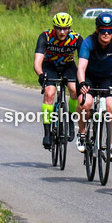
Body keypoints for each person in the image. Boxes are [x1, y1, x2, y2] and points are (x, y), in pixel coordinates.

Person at [76, 12, 112, 161]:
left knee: (111, 106)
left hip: (107, 78)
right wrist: (82, 82)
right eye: (102, 30)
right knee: (85, 103)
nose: (106, 33)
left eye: (109, 30)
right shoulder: (89, 42)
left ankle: (110, 145)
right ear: (97, 30)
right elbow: (81, 67)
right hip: (89, 78)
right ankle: (82, 133)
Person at [34, 12, 82, 150]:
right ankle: (47, 132)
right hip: (49, 65)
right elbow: (37, 61)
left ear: (70, 28)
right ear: (54, 27)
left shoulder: (76, 38)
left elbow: (84, 60)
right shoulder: (46, 37)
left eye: (65, 28)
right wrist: (41, 74)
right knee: (49, 93)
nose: (62, 32)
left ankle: (71, 120)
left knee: (74, 90)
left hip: (68, 66)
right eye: (59, 28)